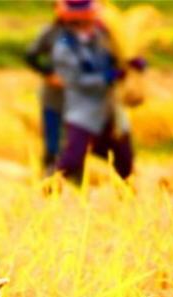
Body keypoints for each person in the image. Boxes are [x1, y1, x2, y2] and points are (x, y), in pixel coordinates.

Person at [52, 5, 134, 183]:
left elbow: (117, 57)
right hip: (84, 113)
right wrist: (107, 77)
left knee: (125, 161)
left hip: (111, 111)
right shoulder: (64, 46)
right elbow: (76, 80)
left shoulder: (103, 37)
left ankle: (128, 199)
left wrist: (131, 62)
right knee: (72, 159)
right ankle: (48, 189)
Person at [25, 2, 81, 174]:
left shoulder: (87, 33)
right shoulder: (50, 33)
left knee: (77, 142)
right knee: (52, 143)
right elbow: (31, 56)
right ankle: (48, 178)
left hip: (80, 99)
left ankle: (77, 179)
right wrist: (49, 75)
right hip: (53, 98)